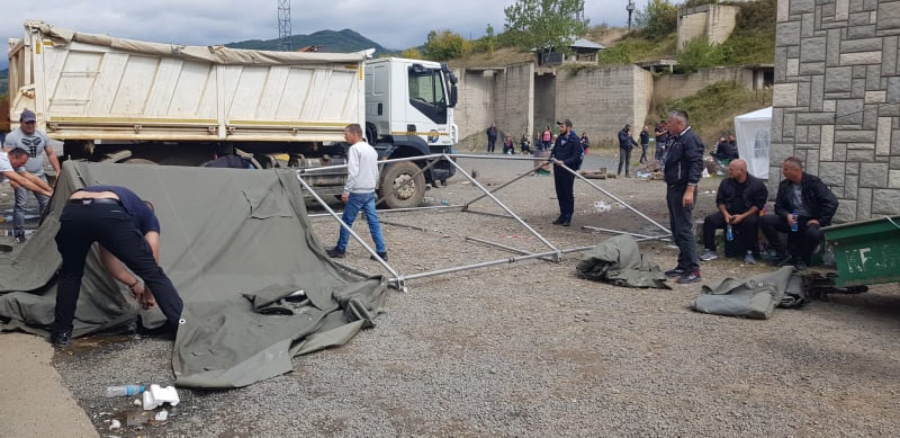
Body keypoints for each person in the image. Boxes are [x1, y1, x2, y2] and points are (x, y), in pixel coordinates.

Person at [51, 185, 184, 348]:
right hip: (107, 209)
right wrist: (150, 294)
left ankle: (61, 334)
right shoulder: (148, 216)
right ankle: (182, 327)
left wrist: (134, 284)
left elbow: (108, 260)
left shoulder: (124, 204)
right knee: (155, 274)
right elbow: (152, 260)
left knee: (70, 273)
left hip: (73, 208)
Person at [760, 157, 838, 271]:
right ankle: (783, 254)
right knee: (764, 220)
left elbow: (832, 202)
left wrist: (820, 220)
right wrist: (786, 215)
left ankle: (803, 259)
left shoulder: (813, 182)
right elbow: (779, 206)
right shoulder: (784, 185)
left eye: (786, 169)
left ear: (796, 170)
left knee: (813, 233)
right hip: (792, 219)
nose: (783, 171)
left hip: (810, 219)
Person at [326, 124, 388, 261]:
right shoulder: (372, 150)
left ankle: (340, 249)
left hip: (358, 192)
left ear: (355, 134)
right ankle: (381, 251)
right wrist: (373, 186)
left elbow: (353, 173)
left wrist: (346, 191)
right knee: (373, 222)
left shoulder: (354, 149)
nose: (345, 136)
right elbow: (376, 171)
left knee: (346, 221)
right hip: (369, 191)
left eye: (346, 134)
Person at [3, 109, 62, 243]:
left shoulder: (41, 135)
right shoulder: (13, 137)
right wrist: (12, 179)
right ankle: (19, 234)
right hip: (20, 174)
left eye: (32, 122)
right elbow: (8, 158)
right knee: (21, 205)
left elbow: (51, 153)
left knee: (46, 202)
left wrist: (58, 170)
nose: (30, 125)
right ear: (21, 122)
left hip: (38, 174)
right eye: (27, 123)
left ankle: (44, 231)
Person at [663, 110, 705, 284]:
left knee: (684, 229)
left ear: (679, 123)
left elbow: (696, 165)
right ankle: (682, 264)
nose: (667, 126)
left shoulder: (690, 139)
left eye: (669, 123)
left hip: (683, 189)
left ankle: (693, 269)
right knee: (676, 228)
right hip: (673, 188)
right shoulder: (676, 139)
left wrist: (690, 190)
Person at [699, 159, 768, 264]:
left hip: (747, 214)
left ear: (741, 170)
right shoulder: (726, 182)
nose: (729, 171)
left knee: (751, 222)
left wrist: (742, 216)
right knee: (710, 220)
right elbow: (720, 200)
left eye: (731, 170)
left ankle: (749, 252)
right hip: (729, 213)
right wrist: (726, 214)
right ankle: (710, 250)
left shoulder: (757, 184)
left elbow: (758, 205)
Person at [550, 119, 583, 227]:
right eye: (560, 127)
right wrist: (549, 159)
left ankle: (568, 216)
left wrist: (564, 162)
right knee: (560, 193)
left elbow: (576, 157)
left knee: (568, 193)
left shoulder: (575, 140)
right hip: (558, 170)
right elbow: (554, 151)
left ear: (568, 128)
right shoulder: (560, 138)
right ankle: (562, 215)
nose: (560, 129)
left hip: (568, 171)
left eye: (562, 127)